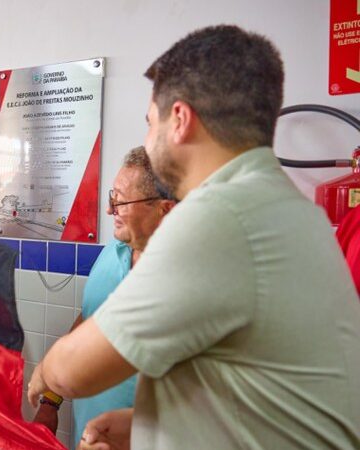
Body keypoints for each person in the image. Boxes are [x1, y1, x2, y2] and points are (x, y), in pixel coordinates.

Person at [28, 25, 360, 450]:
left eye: (151, 123)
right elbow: (261, 390)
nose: (148, 140)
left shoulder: (221, 216)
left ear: (180, 120)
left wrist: (46, 373)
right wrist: (149, 427)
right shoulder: (291, 212)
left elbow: (77, 370)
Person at [32, 147, 174, 442]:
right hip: (89, 436)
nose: (110, 210)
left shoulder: (184, 277)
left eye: (122, 201)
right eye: (113, 197)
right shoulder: (113, 251)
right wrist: (51, 401)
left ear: (164, 208)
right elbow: (88, 317)